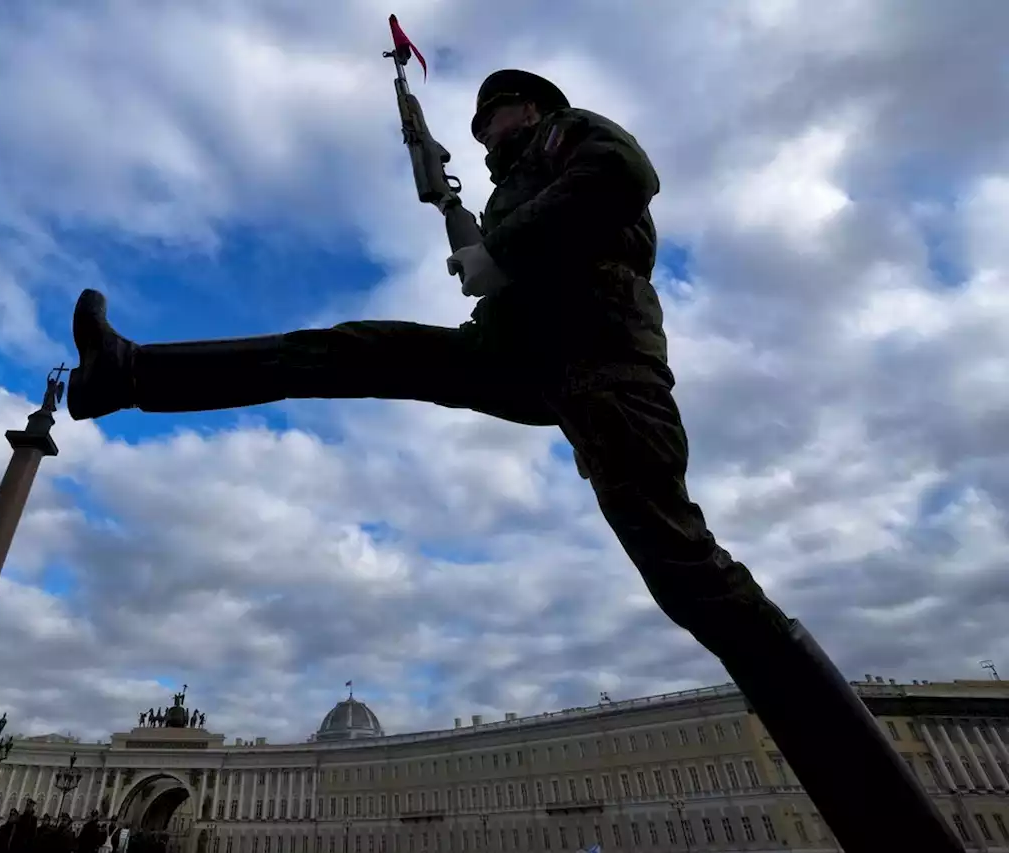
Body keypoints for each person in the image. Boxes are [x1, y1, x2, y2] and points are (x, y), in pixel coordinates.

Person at [66, 69, 961, 853]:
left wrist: (498, 247)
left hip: (609, 369)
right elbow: (504, 279)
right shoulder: (503, 194)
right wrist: (468, 232)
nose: (485, 131)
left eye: (492, 115)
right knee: (347, 348)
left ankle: (903, 832)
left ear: (526, 109)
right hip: (525, 361)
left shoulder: (573, 137)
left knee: (702, 587)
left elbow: (623, 177)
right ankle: (130, 373)